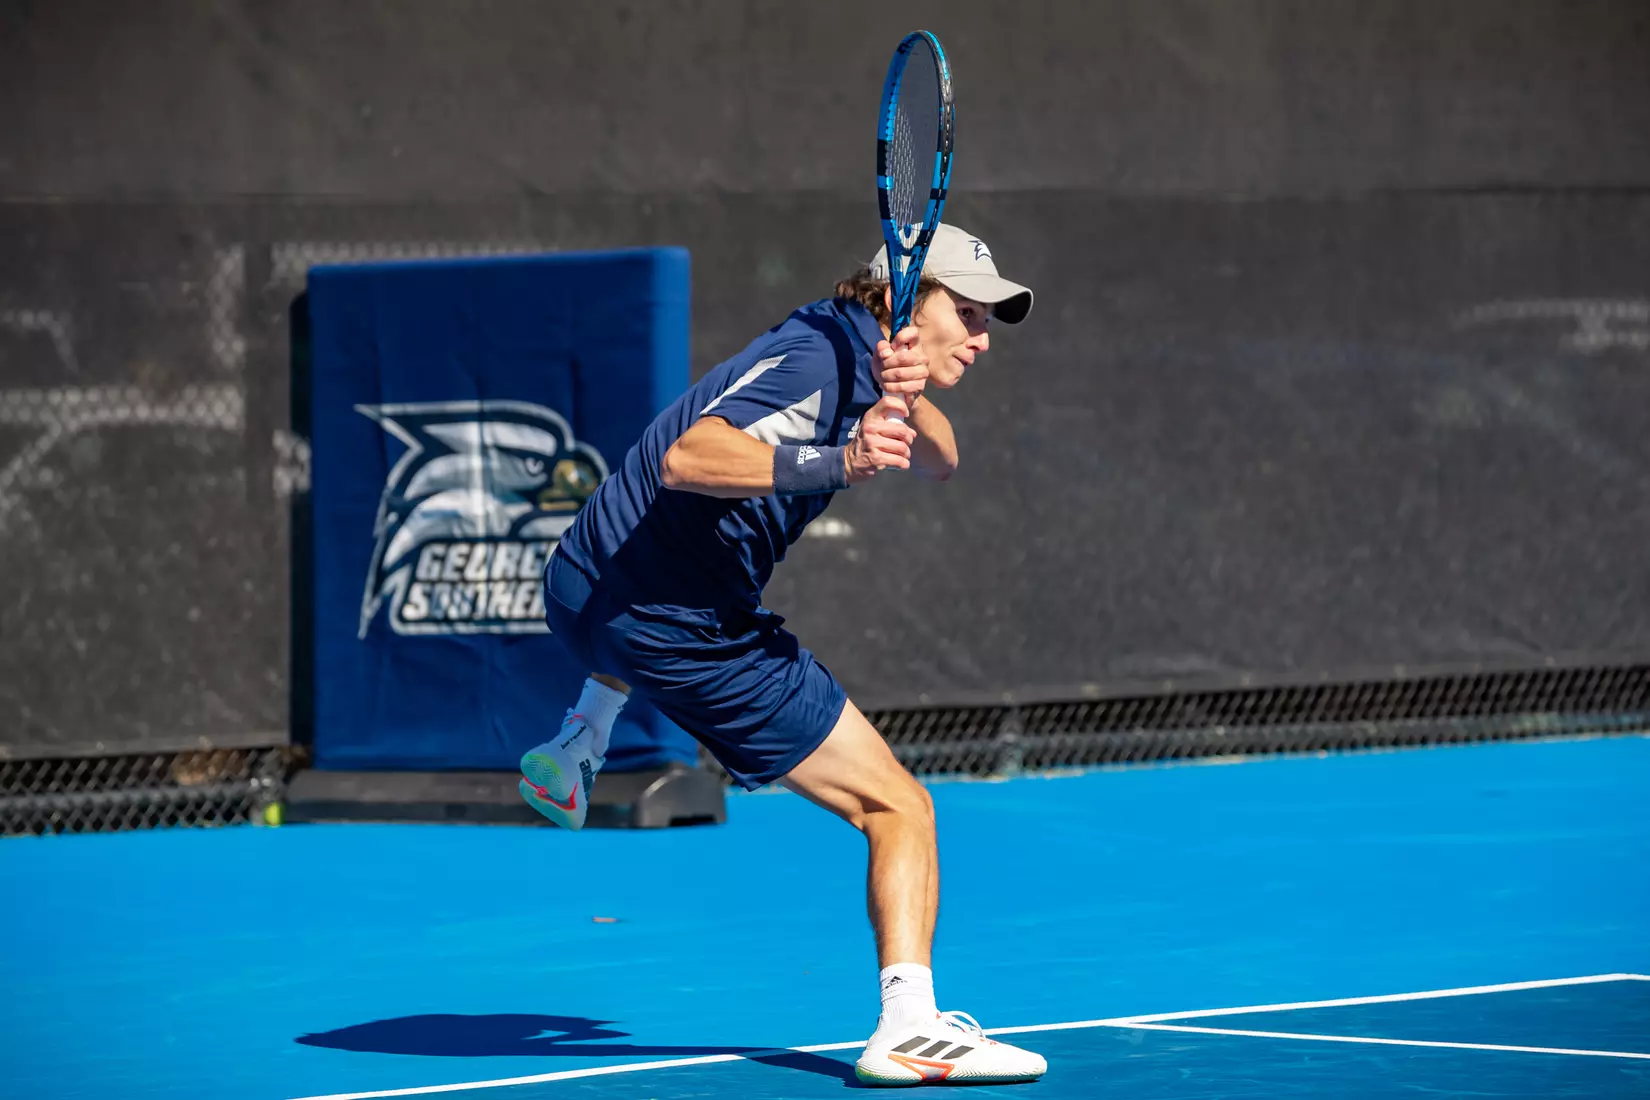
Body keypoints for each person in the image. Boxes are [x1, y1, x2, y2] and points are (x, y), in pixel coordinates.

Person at [519, 224, 1045, 1085]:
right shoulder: (819, 363)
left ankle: (580, 738)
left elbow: (945, 463)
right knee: (900, 808)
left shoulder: (848, 344)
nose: (983, 338)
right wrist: (840, 455)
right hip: (682, 630)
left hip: (581, 591)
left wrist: (904, 399)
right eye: (970, 312)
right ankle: (910, 1022)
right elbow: (689, 458)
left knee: (685, 577)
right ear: (904, 300)